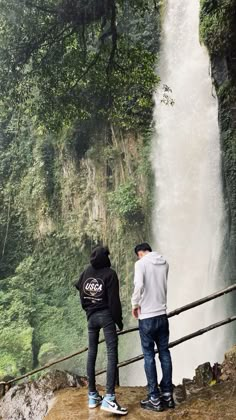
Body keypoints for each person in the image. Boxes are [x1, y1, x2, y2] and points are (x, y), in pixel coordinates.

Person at [74, 245, 128, 416]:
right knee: (112, 353)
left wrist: (88, 304)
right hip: (105, 316)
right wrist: (118, 321)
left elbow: (78, 285)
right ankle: (109, 398)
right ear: (106, 257)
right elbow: (114, 301)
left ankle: (92, 396)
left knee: (92, 353)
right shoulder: (110, 274)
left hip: (91, 318)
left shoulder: (87, 271)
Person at [131, 242, 175, 412]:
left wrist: (135, 305)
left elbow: (139, 286)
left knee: (149, 356)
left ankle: (154, 398)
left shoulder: (140, 263)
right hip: (162, 315)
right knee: (164, 353)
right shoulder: (165, 262)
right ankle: (167, 395)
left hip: (147, 317)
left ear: (140, 253)